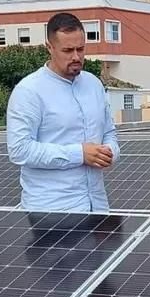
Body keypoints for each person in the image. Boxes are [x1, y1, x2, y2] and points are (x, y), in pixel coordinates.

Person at [7, 12, 119, 213]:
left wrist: (110, 152)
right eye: (67, 50)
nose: (76, 57)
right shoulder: (29, 91)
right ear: (49, 47)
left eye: (81, 49)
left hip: (97, 205)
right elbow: (19, 150)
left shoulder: (94, 84)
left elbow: (109, 132)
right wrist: (79, 154)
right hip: (52, 210)